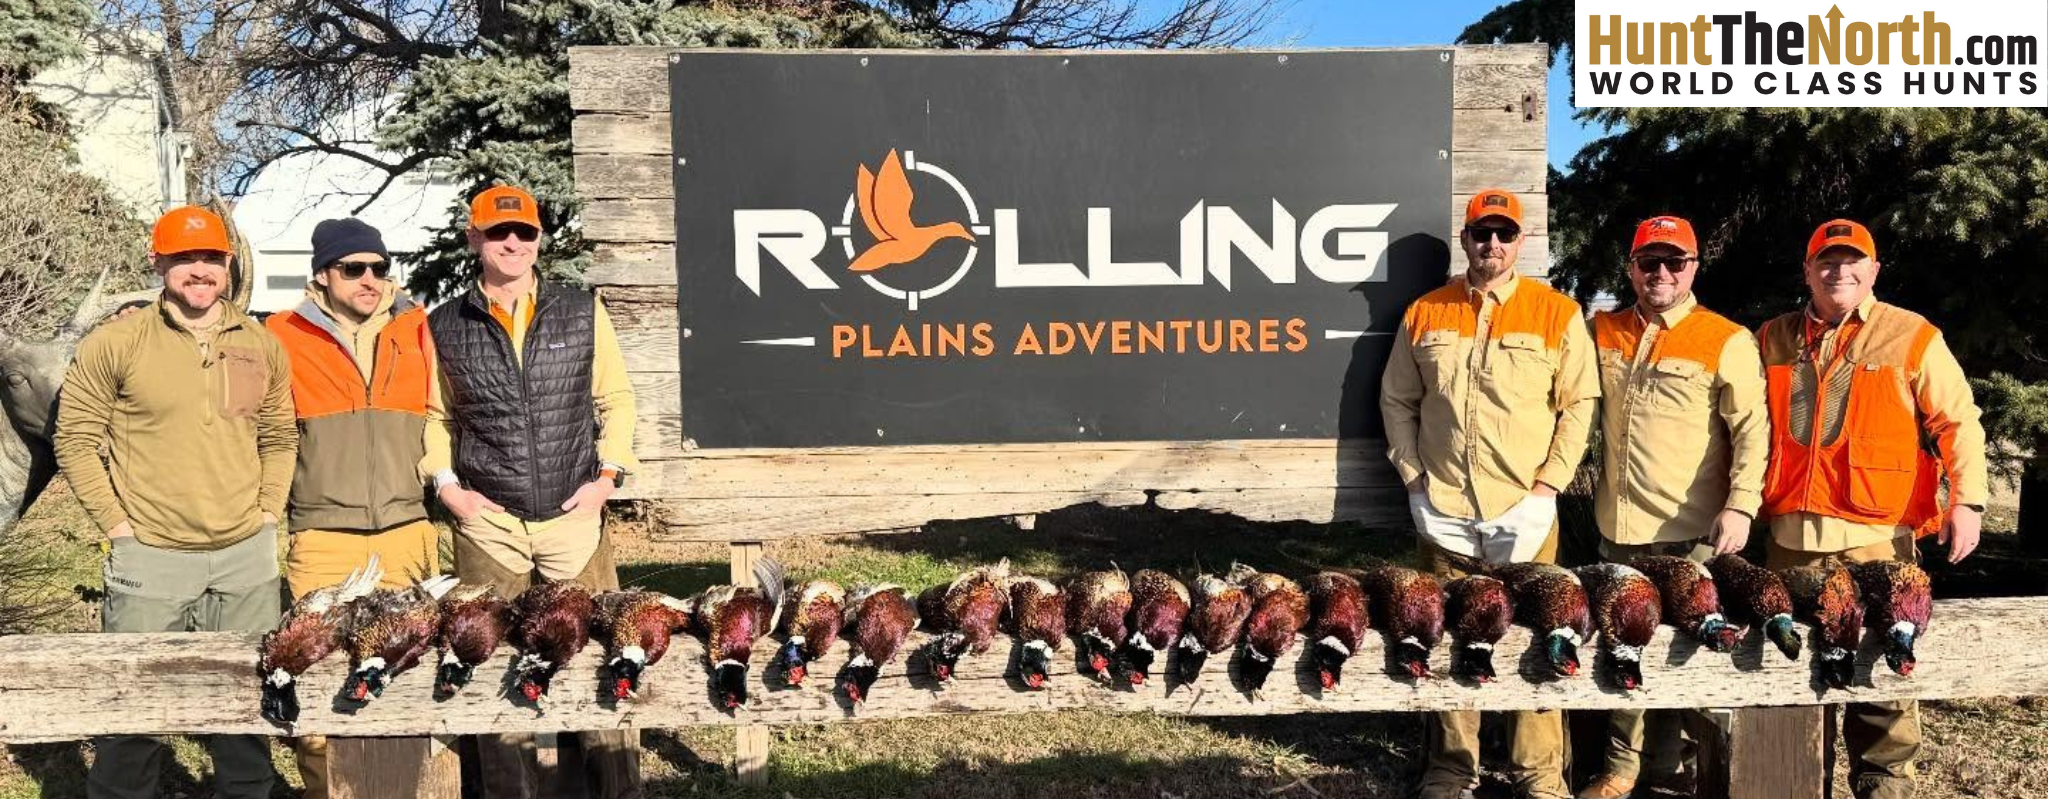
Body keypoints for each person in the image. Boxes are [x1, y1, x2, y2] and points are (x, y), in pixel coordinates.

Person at [55, 205, 296, 799]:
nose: (199, 270)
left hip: (245, 555)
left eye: (210, 258)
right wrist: (116, 525)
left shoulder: (259, 343)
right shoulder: (117, 342)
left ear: (228, 265)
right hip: (150, 557)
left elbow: (279, 435)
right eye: (184, 257)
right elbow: (75, 439)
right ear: (158, 260)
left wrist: (267, 512)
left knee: (246, 708)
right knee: (134, 710)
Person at [422, 185, 641, 798]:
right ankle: (508, 792)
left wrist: (606, 480)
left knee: (602, 660)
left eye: (524, 232)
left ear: (540, 238)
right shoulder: (444, 324)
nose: (512, 243)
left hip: (573, 521)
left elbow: (616, 400)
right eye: (497, 233)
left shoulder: (580, 309)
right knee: (491, 667)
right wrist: (449, 490)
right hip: (489, 526)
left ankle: (610, 792)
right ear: (475, 240)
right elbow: (435, 416)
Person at [1755, 219, 1986, 799]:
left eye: (1852, 260)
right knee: (1789, 670)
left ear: (1874, 270)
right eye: (1826, 261)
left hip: (1878, 538)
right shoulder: (1772, 338)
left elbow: (1957, 421)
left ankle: (1884, 784)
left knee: (1882, 667)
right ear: (1807, 271)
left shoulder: (1911, 335)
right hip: (1790, 537)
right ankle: (1788, 783)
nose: (1839, 271)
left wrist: (1969, 500)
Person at [1381, 188, 1599, 799]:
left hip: (1524, 510)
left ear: (1521, 241)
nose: (1492, 245)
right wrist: (1414, 479)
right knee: (1447, 632)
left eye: (1504, 233)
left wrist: (1548, 485)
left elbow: (1579, 403)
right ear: (1466, 238)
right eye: (1482, 233)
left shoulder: (1555, 312)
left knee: (1540, 634)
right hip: (1444, 507)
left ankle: (1539, 777)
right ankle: (1451, 769)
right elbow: (1397, 400)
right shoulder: (1426, 311)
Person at [1578, 216, 1769, 799]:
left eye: (1674, 262)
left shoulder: (1725, 337)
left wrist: (1740, 505)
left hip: (1693, 532)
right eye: (1647, 262)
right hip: (1620, 527)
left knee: (1687, 648)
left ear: (1693, 267)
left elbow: (1752, 431)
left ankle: (1673, 763)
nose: (1660, 273)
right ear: (1630, 268)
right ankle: (1620, 767)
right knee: (1623, 640)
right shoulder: (1602, 330)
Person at [264, 218, 439, 798]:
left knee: (407, 669)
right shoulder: (280, 334)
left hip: (406, 530)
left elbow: (444, 418)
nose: (370, 279)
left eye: (379, 268)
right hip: (322, 535)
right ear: (322, 273)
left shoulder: (417, 327)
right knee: (315, 675)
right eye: (353, 268)